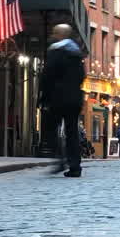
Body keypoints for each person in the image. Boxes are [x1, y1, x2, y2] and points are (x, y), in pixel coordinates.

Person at [38, 24, 86, 177]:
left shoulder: (55, 51)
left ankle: (60, 159)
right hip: (74, 98)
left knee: (49, 128)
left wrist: (44, 96)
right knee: (72, 132)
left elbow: (47, 75)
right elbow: (81, 76)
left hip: (57, 97)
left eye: (54, 32)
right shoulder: (77, 54)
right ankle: (75, 166)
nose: (53, 34)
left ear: (59, 34)